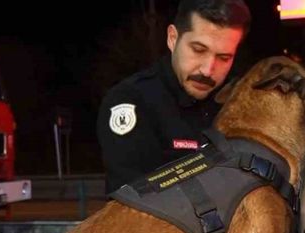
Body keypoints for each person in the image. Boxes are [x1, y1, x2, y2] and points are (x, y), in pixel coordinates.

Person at [97, 0, 251, 195]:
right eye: (198, 49)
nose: (208, 69)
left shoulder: (239, 104)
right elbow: (135, 203)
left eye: (224, 58)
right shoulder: (131, 101)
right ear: (172, 38)